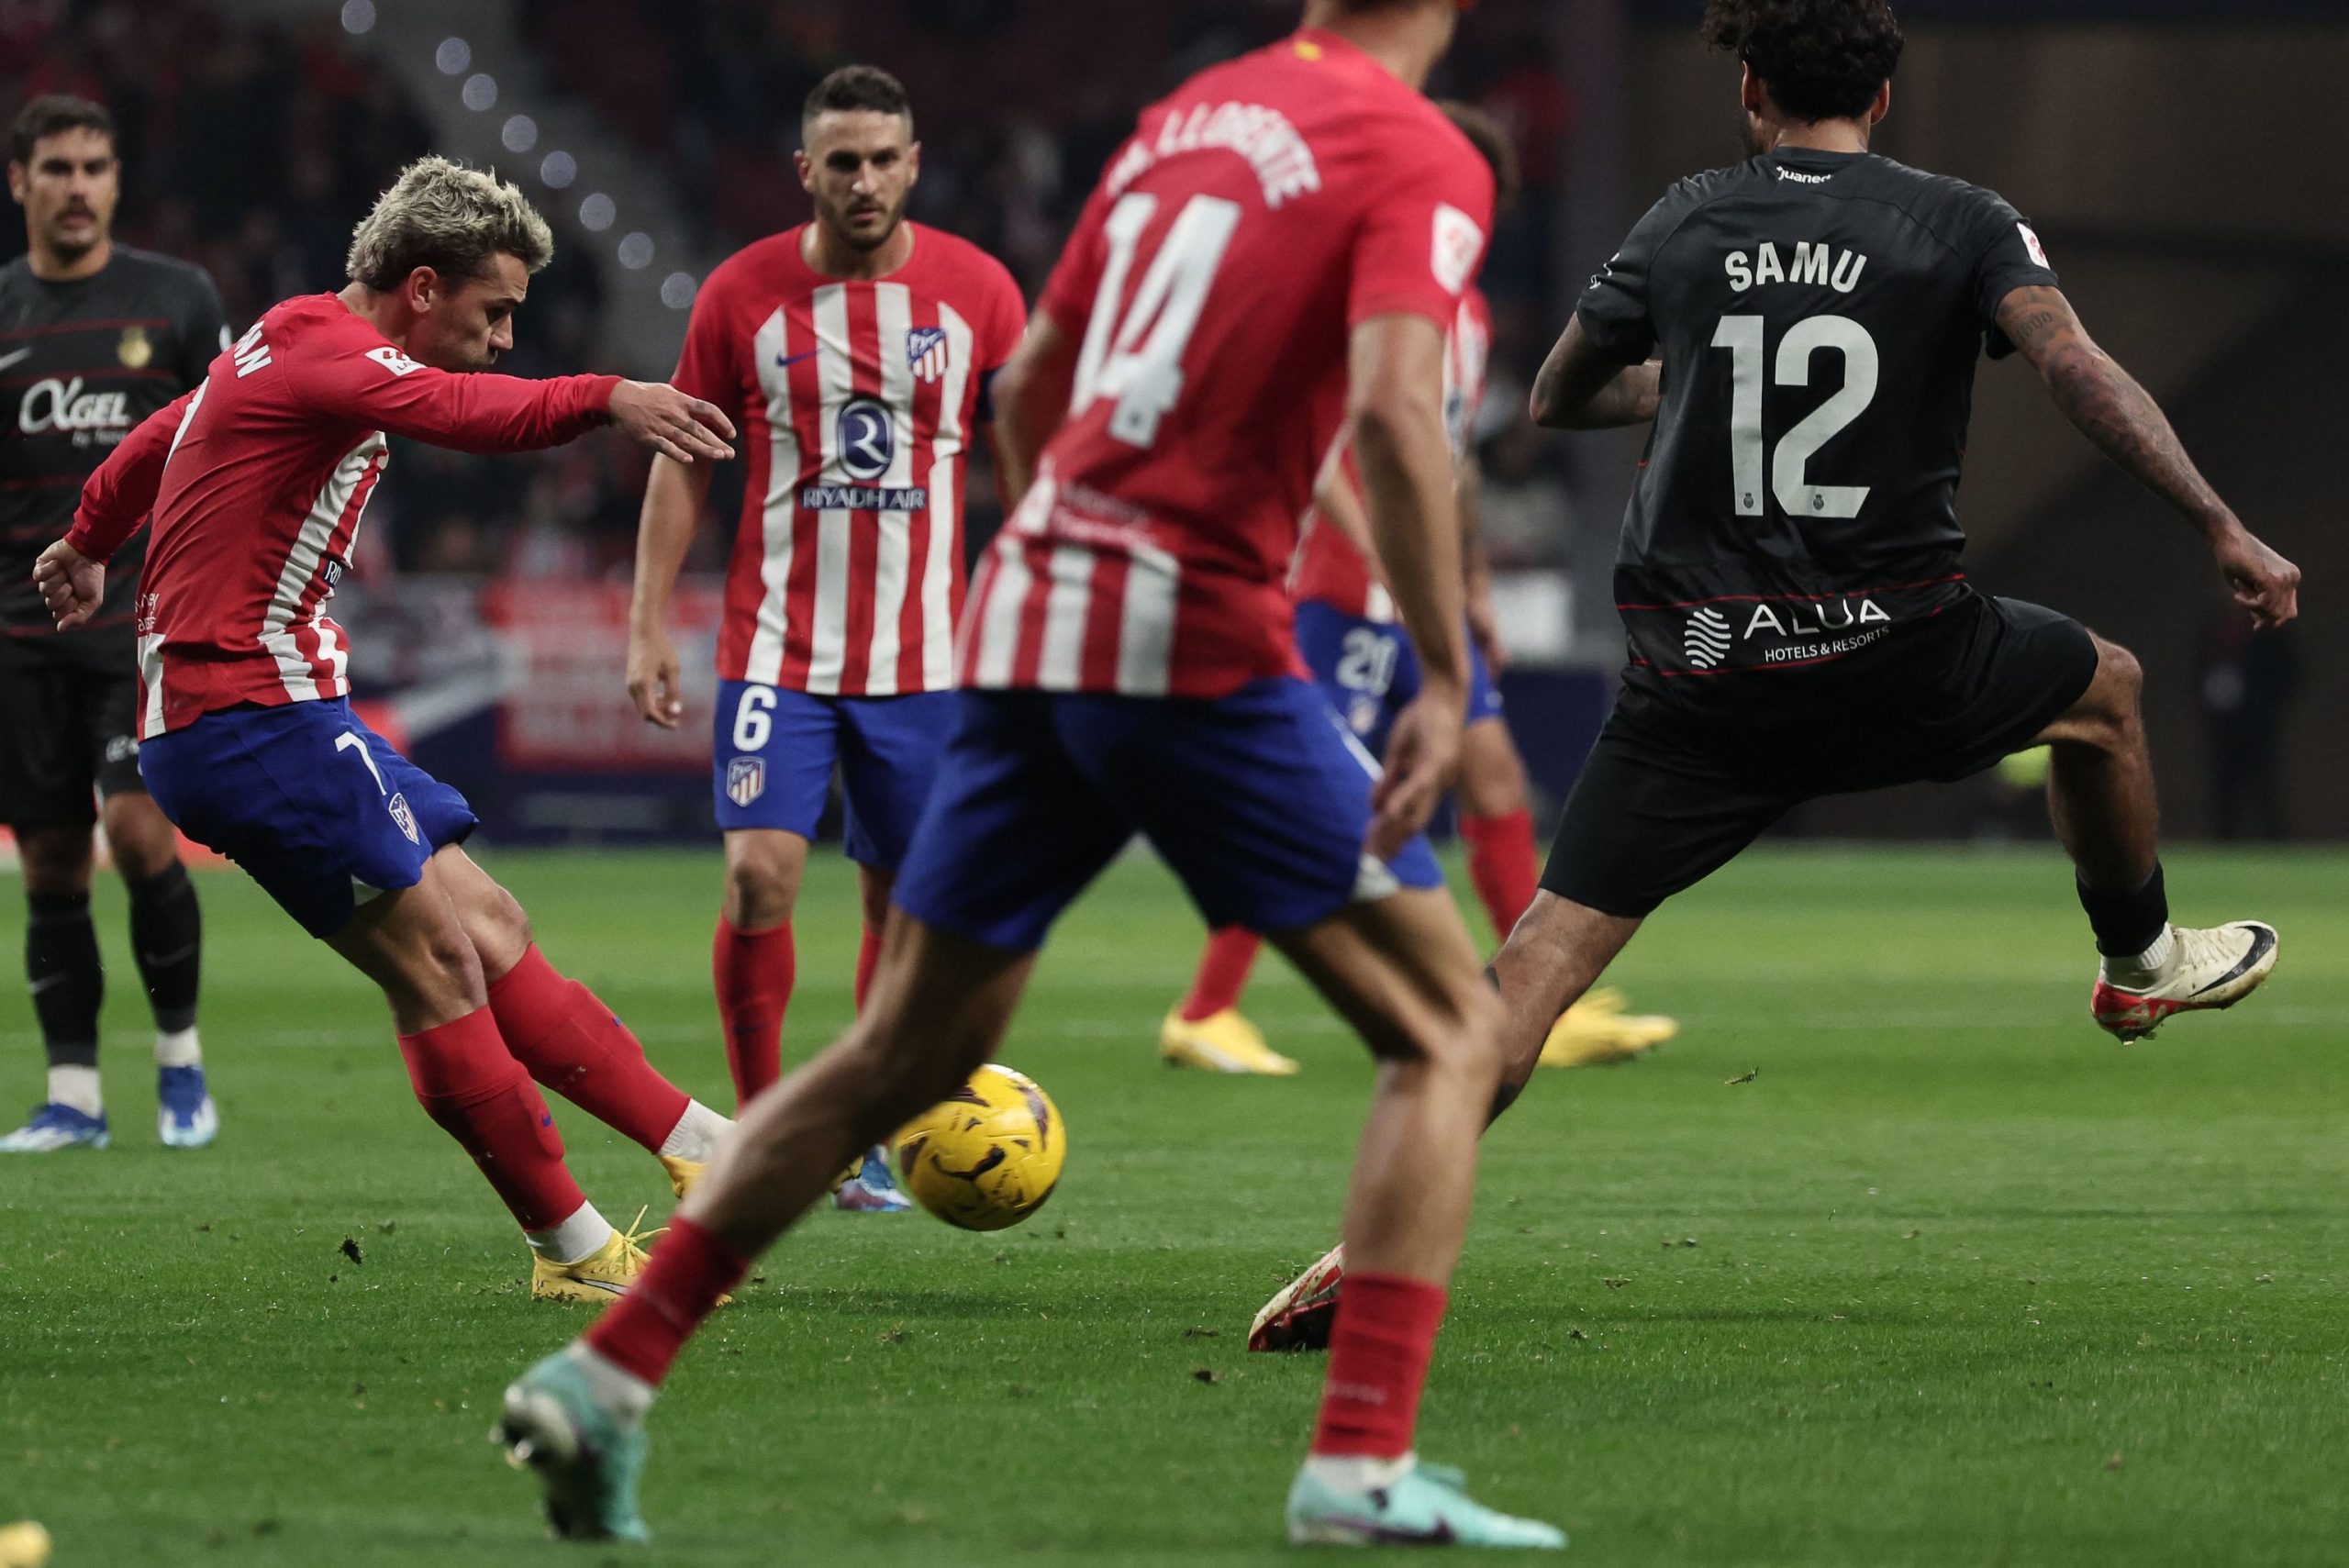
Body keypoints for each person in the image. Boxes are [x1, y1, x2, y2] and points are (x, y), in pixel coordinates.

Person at [497, 0, 1566, 1548]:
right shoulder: (1417, 148)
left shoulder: (1189, 117)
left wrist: (1070, 549)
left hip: (1029, 612)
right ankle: (1359, 1460)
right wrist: (1449, 671)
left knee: (898, 1055)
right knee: (1452, 1030)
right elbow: (1402, 411)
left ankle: (604, 1380)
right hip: (1189, 626)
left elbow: (1033, 390)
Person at [1249, 0, 2297, 1353]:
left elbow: (1562, 396)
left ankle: (1370, 1249)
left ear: (1750, 88)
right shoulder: (1962, 219)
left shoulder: (1685, 220)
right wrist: (2217, 519)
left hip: (1704, 675)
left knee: (1533, 969)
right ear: (1888, 92)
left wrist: (1691, 383)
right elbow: (2075, 369)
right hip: (1899, 651)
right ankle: (2140, 959)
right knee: (2105, 690)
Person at [36, 157, 740, 1301]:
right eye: (495, 308)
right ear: (422, 284)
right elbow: (461, 412)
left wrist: (85, 539)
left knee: (491, 923)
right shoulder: (333, 354)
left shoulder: (287, 335)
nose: (506, 338)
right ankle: (573, 1249)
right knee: (439, 964)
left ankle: (703, 1147)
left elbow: (170, 426)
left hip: (286, 707)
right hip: (242, 717)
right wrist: (607, 395)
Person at [1162, 100, 1676, 1077]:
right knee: (1315, 800)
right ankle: (1204, 1007)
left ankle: (1539, 1003)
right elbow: (1326, 452)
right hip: (1346, 593)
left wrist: (1470, 580)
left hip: (1424, 593)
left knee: (1491, 780)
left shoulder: (1466, 310)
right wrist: (1390, 559)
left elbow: (1450, 463)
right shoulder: (1361, 296)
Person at [626, 66, 1026, 1212]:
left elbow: (1029, 462)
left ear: (913, 164)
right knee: (759, 877)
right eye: (839, 161)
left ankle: (861, 1129)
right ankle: (766, 1137)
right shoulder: (739, 294)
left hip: (926, 664)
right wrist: (648, 621)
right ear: (806, 171)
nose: (862, 180)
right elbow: (682, 458)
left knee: (902, 913)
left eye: (881, 159)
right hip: (778, 651)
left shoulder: (981, 294)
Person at [0, 95, 227, 1152]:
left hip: (143, 622)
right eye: (57, 168)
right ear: (21, 183)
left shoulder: (177, 301)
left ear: (117, 180)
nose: (78, 185)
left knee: (137, 832)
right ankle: (75, 1096)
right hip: (17, 634)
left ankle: (180, 1064)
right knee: (49, 858)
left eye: (95, 165)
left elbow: (229, 449)